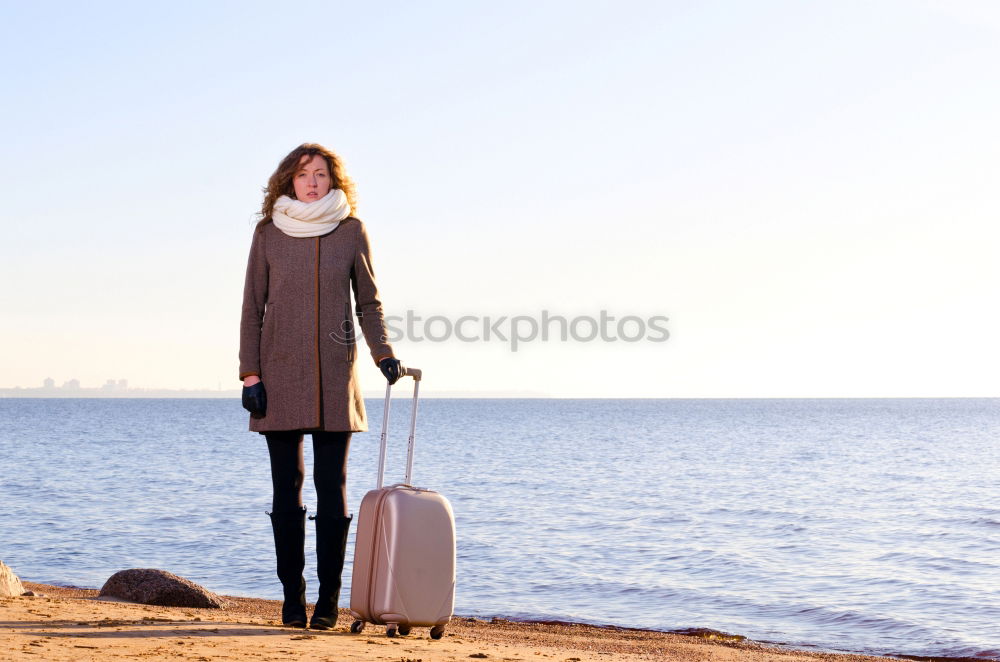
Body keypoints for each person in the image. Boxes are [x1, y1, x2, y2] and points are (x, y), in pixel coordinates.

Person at [238, 143, 403, 630]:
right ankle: (293, 599)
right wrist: (250, 373)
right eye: (305, 174)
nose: (313, 182)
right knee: (285, 489)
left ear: (334, 182)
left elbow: (369, 304)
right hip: (278, 373)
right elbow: (252, 307)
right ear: (288, 181)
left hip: (335, 375)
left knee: (334, 488)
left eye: (322, 175)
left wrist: (383, 354)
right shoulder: (268, 234)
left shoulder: (350, 231)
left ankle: (328, 603)